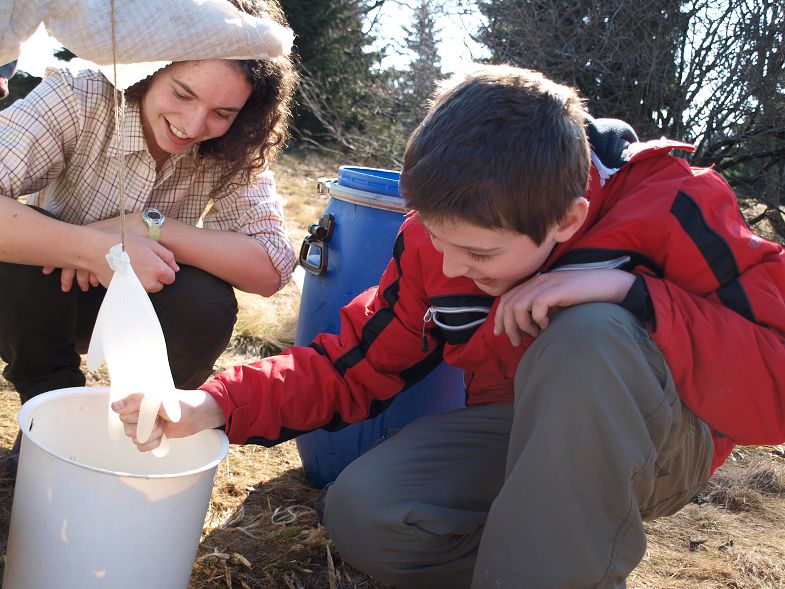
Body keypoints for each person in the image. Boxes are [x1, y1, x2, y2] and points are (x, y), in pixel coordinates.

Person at [113, 65, 785, 588]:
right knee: (367, 513)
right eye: (438, 238)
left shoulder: (671, 202)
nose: (453, 265)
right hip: (518, 432)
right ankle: (562, 560)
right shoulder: (437, 243)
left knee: (589, 335)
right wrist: (211, 404)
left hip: (657, 444)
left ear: (567, 221)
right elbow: (351, 364)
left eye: (480, 254)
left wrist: (632, 293)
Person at [0, 0, 298, 472]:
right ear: (150, 67)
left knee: (207, 301)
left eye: (222, 112)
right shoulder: (78, 95)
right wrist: (90, 248)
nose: (193, 126)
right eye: (182, 93)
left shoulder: (235, 144)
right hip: (46, 299)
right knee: (16, 263)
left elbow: (271, 266)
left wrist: (146, 225)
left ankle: (147, 422)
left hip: (140, 301)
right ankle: (50, 407)